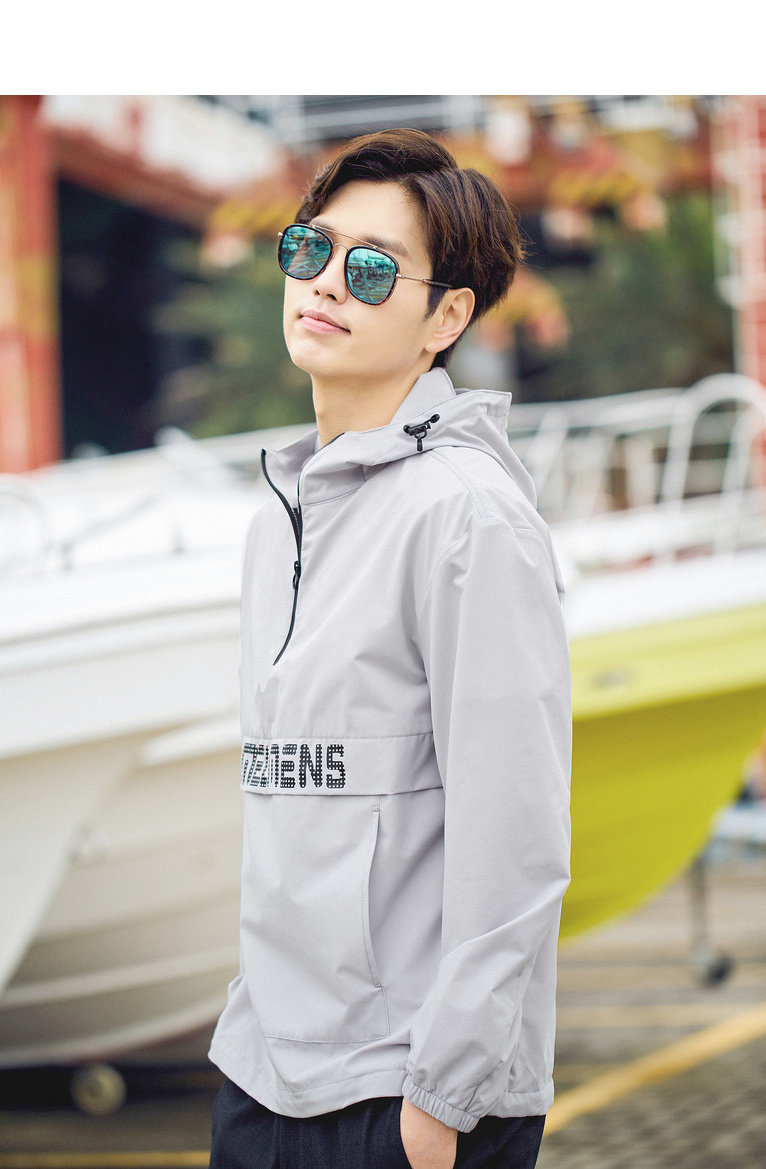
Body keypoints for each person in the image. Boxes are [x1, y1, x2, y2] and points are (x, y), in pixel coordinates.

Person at [208, 128, 572, 1169]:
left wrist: (441, 1099)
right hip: (265, 1072)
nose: (326, 282)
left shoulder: (467, 517)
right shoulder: (277, 516)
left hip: (404, 1096)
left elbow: (516, 838)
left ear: (445, 317)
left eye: (371, 269)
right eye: (310, 249)